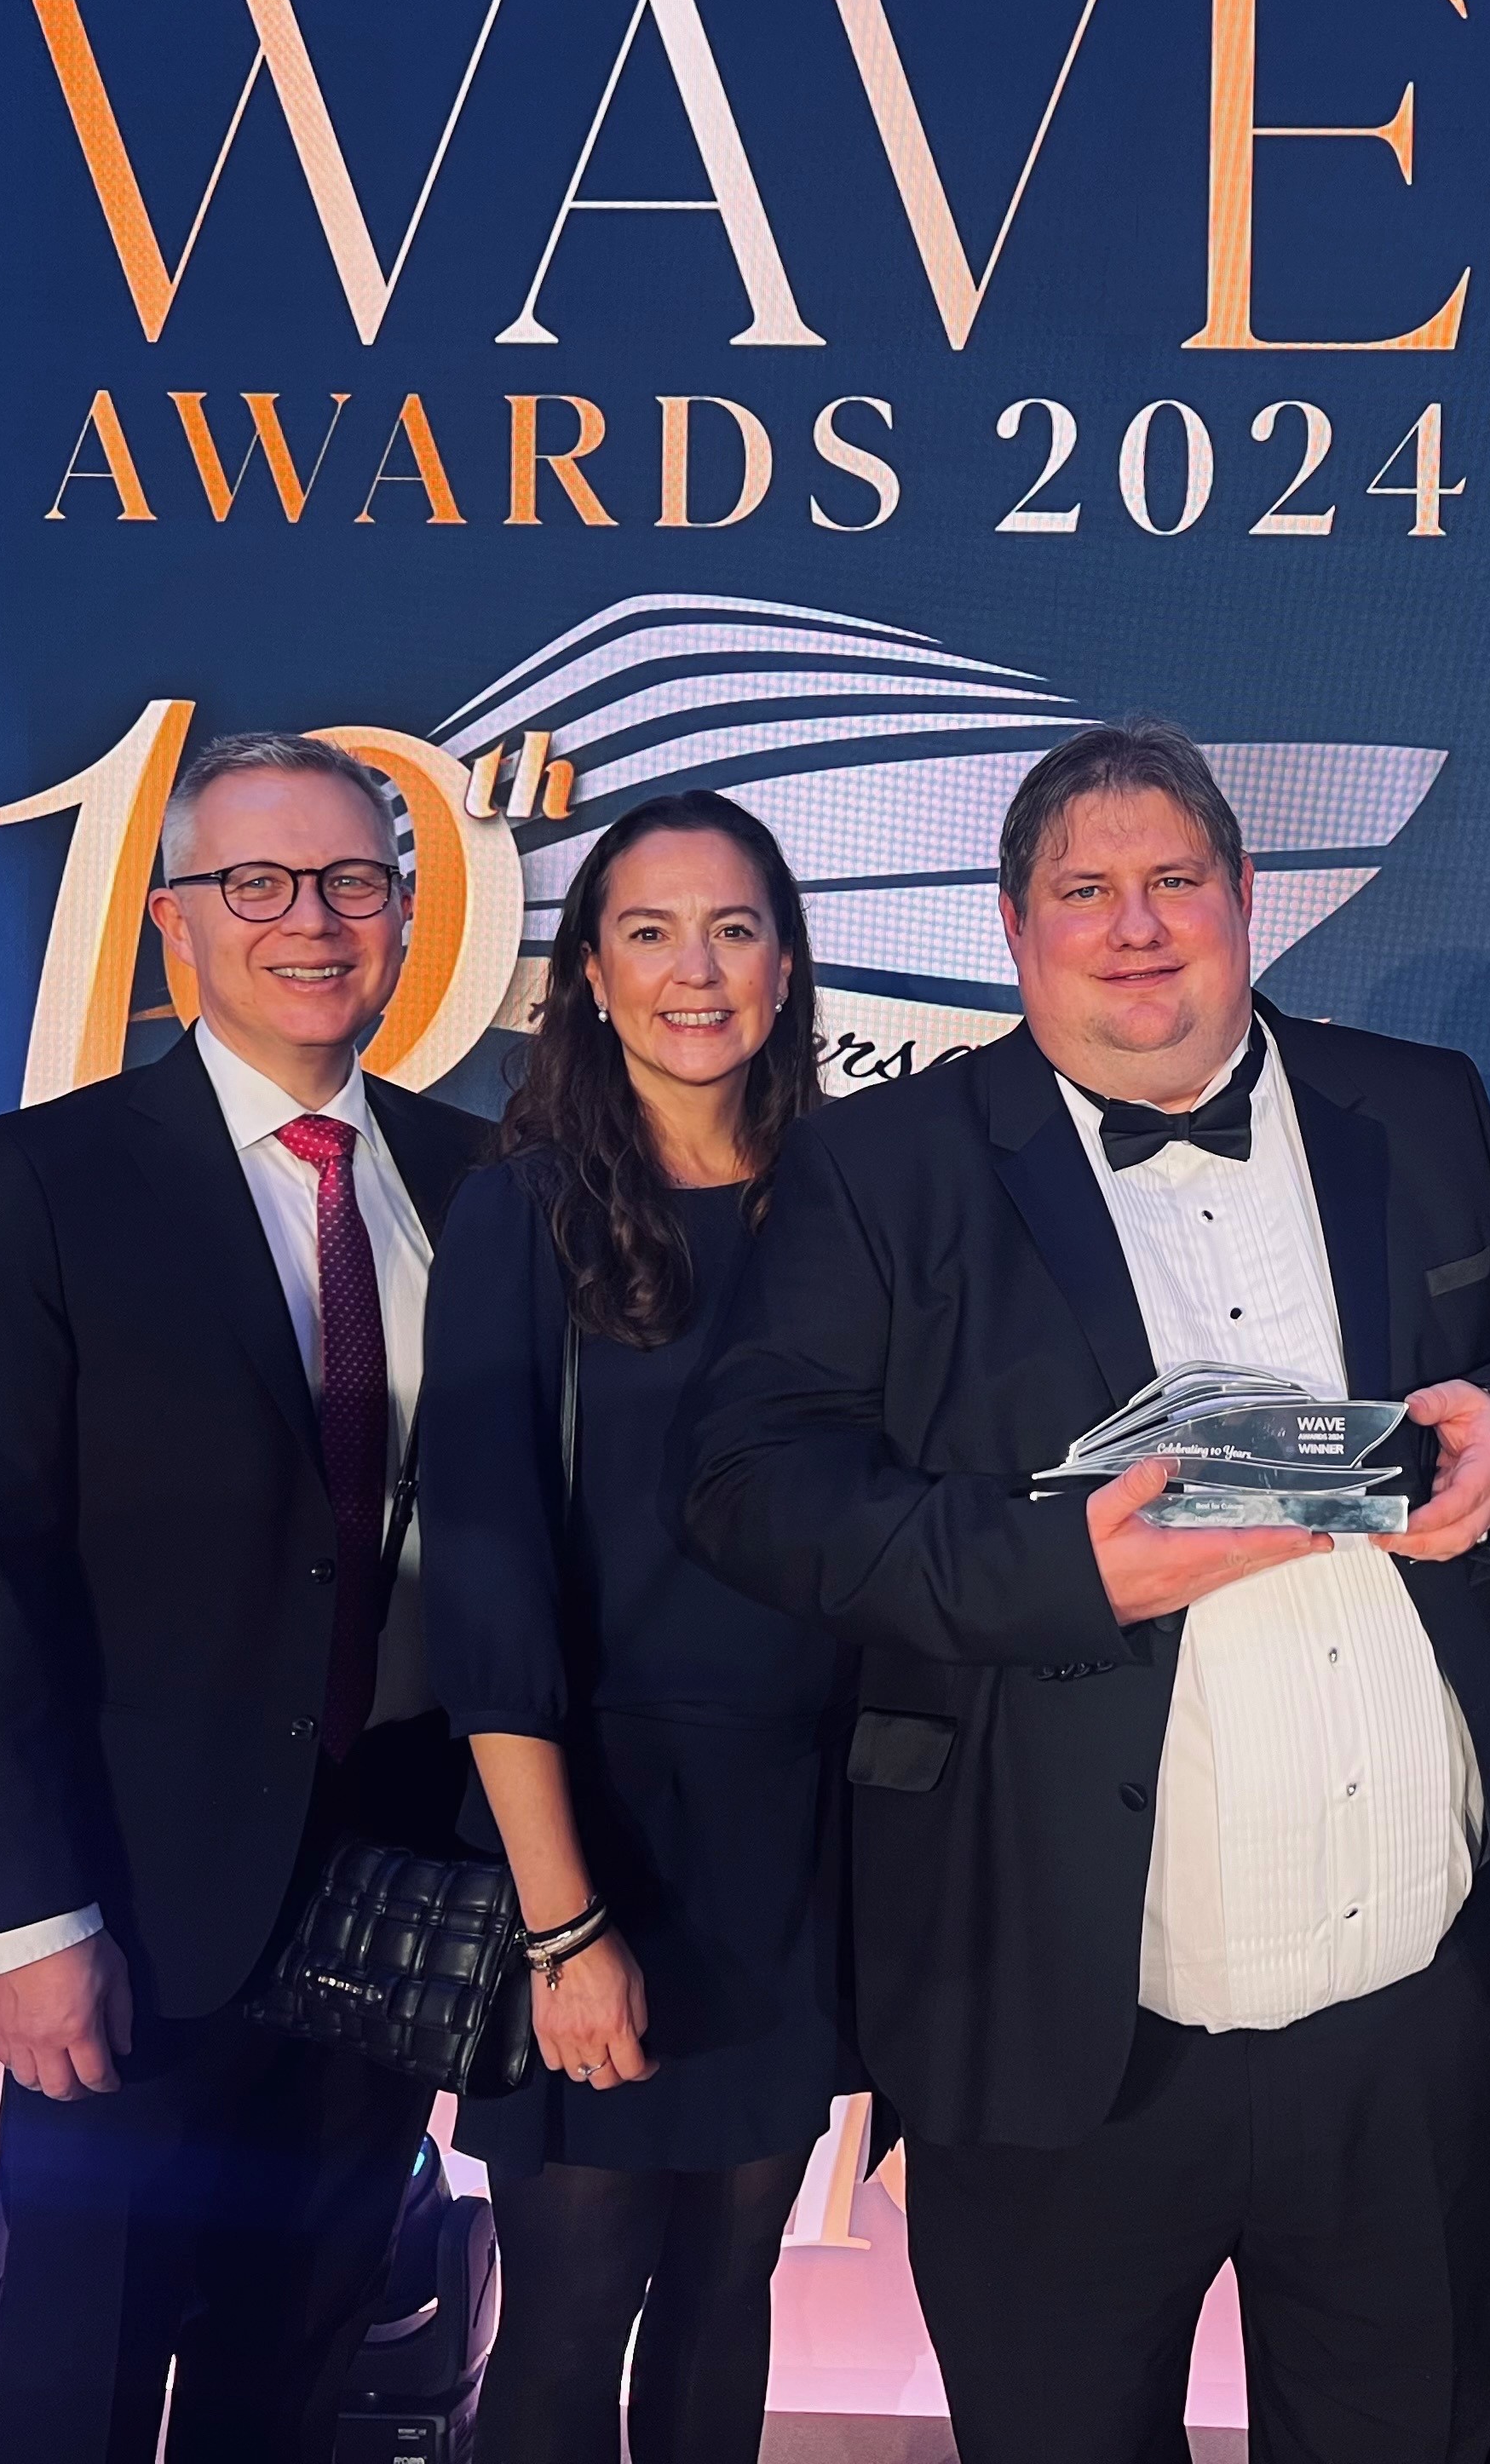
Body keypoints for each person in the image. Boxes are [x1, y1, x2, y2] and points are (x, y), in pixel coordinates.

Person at [680, 719, 1490, 2464]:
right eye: (1083, 890)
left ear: (1247, 896)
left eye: (1174, 879)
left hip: (1412, 2008)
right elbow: (753, 1492)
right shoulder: (882, 1168)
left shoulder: (1418, 1104)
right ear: (1013, 927)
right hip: (1056, 2010)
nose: (1135, 926)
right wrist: (1058, 1569)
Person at [0, 731, 489, 2462]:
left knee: (294, 2375)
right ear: (175, 923)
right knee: (73, 2382)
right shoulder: (41, 1182)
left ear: (402, 916)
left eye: (352, 881)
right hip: (132, 1915)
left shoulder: (478, 1183)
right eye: (259, 883)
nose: (312, 920)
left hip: (394, 1891)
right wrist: (28, 1923)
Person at [419, 793, 837, 2464]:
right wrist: (562, 1926)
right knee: (573, 2310)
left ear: (787, 964)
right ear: (589, 974)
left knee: (730, 2293)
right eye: (649, 932)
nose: (695, 971)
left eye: (733, 929)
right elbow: (488, 1579)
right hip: (591, 1833)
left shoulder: (850, 1208)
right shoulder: (521, 1214)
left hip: (797, 1847)